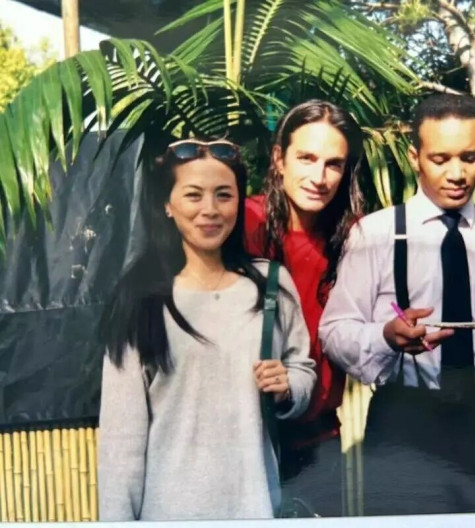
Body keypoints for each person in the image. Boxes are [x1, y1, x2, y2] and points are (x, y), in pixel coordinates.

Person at [319, 93, 475, 515]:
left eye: (469, 157)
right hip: (400, 422)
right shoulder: (375, 236)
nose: (457, 173)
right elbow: (335, 332)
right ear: (415, 157)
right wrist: (385, 337)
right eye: (441, 159)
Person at [97, 136, 316, 521]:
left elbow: (302, 369)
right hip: (168, 514)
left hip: (256, 507)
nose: (210, 210)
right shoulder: (140, 299)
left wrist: (288, 387)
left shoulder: (271, 284)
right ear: (167, 204)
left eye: (224, 195)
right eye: (193, 195)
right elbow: (121, 442)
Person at [244, 99, 364, 517]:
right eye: (306, 158)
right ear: (279, 159)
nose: (319, 177)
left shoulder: (355, 237)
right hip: (247, 439)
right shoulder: (243, 223)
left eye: (333, 164)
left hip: (318, 440)